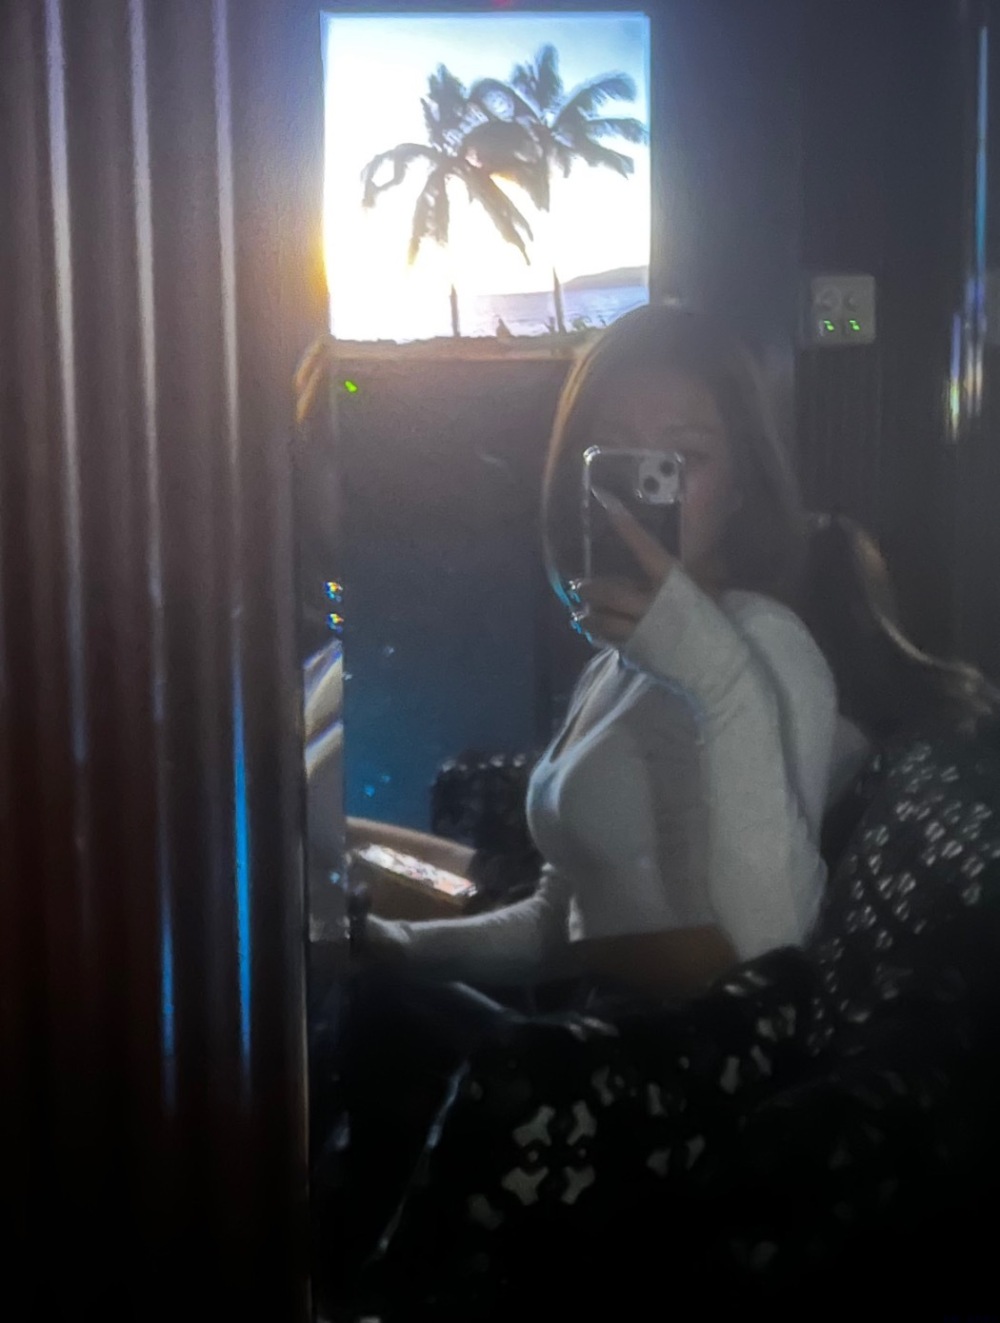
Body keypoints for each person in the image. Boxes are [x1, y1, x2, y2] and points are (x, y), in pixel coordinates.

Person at [361, 302, 867, 998]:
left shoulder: (766, 642)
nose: (637, 494)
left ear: (741, 487)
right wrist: (399, 945)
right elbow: (560, 923)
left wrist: (717, 674)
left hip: (675, 1054)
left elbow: (771, 956)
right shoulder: (615, 663)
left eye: (686, 458)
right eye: (612, 458)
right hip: (580, 1023)